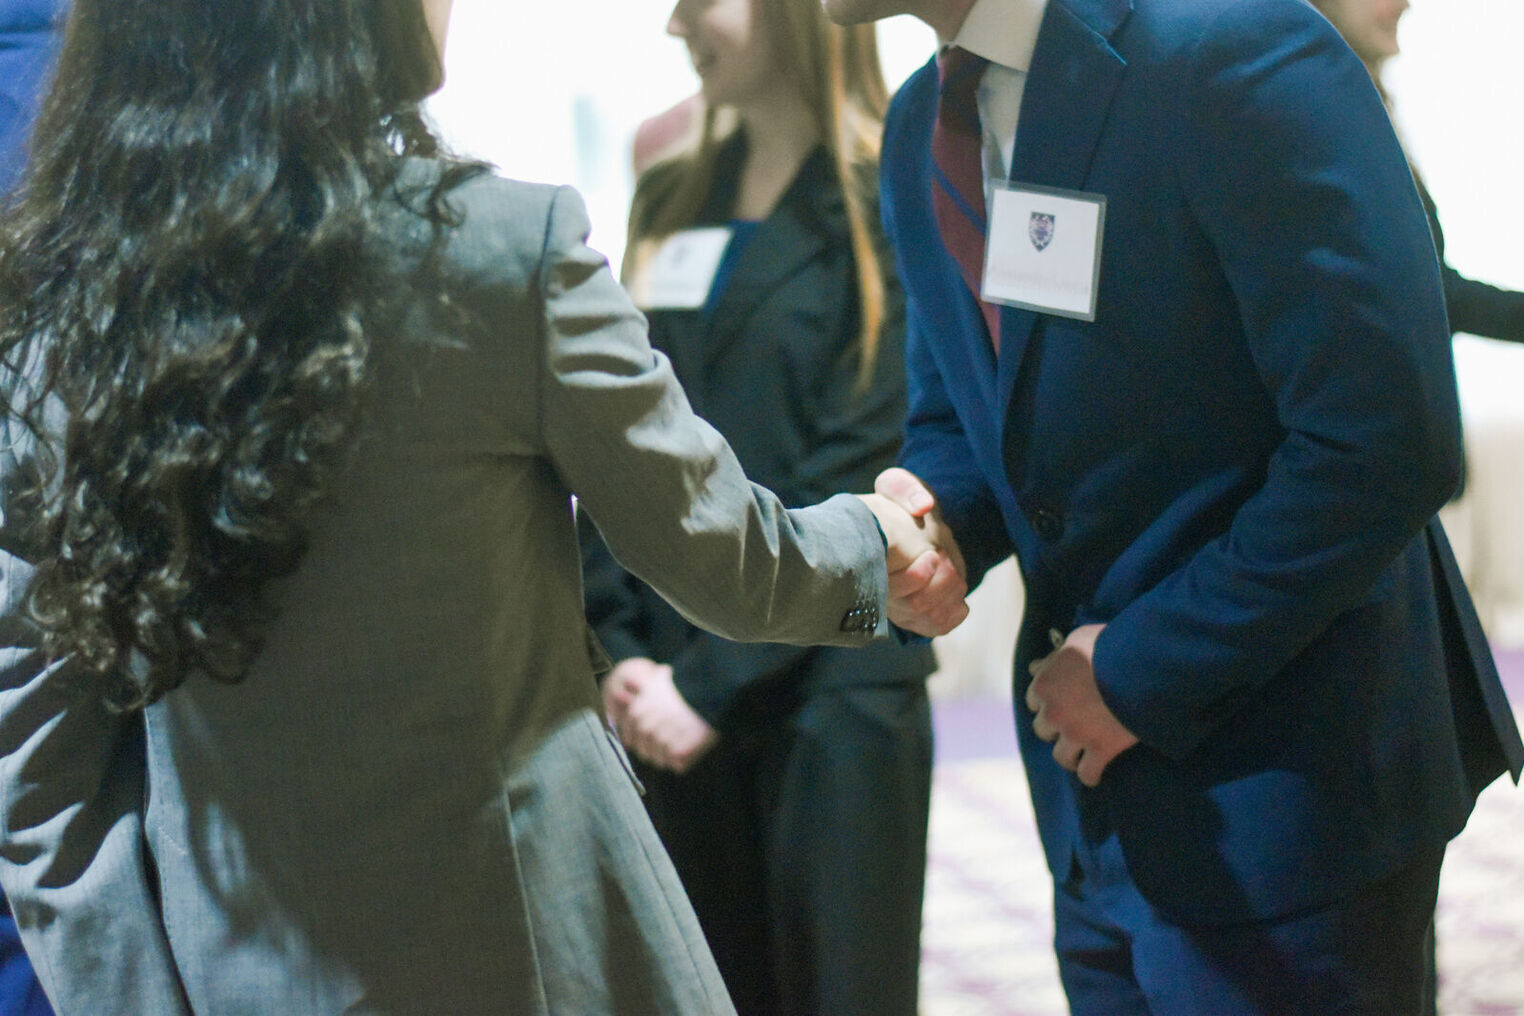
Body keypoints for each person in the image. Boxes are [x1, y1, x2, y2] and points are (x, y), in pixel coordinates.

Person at [0, 0, 964, 1012]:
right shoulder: (497, 251)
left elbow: (44, 781)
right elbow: (724, 555)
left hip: (233, 967)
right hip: (529, 950)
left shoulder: (61, 305)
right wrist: (876, 561)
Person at [821, 0, 1524, 1012]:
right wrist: (938, 518)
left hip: (1294, 789)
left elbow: (1384, 443)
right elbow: (965, 410)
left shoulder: (1227, 42)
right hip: (1093, 807)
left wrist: (1140, 671)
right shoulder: (921, 125)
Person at [579, 2, 935, 1013]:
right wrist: (622, 655)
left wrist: (708, 684)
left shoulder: (893, 192)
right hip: (666, 696)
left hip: (833, 692)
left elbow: (869, 462)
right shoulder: (674, 194)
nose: (675, 24)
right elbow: (612, 430)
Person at [1308, 0, 1524, 345]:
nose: (1404, 5)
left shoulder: (1353, 108)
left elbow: (1430, 292)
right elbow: (1415, 293)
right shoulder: (1321, 124)